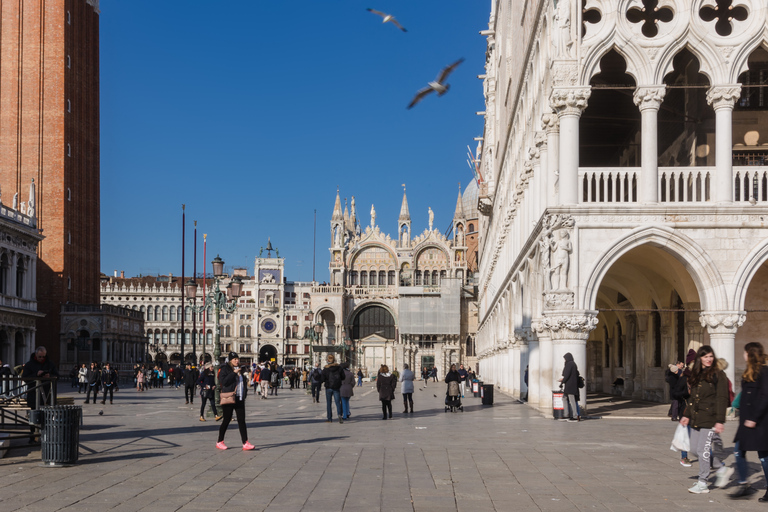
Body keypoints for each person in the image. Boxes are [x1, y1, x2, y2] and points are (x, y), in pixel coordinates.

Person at [680, 345, 731, 494]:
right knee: (695, 449)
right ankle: (721, 469)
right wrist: (686, 415)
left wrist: (720, 420)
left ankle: (703, 482)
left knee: (703, 450)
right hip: (697, 417)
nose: (709, 359)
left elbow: (722, 398)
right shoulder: (697, 374)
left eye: (710, 356)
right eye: (705, 356)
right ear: (699, 359)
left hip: (711, 418)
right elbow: (693, 399)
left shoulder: (718, 374)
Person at [729, 342, 768, 500]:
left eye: (745, 353)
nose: (743, 355)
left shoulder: (765, 372)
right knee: (738, 451)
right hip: (746, 422)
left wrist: (754, 418)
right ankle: (744, 483)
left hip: (759, 422)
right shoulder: (748, 372)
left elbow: (765, 396)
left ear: (750, 354)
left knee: (764, 456)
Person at [216, 352, 255, 450]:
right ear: (230, 360)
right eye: (235, 359)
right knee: (226, 420)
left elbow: (243, 383)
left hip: (239, 398)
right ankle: (220, 441)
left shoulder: (241, 369)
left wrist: (244, 393)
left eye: (237, 359)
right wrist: (233, 373)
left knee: (242, 421)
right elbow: (224, 382)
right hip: (229, 397)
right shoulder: (225, 369)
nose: (237, 361)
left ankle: (245, 442)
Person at [322, 354, 344, 423]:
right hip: (337, 387)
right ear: (334, 360)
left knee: (329, 403)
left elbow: (322, 379)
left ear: (328, 360)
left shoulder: (326, 369)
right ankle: (339, 415)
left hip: (328, 387)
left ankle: (329, 418)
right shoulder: (339, 368)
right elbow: (343, 377)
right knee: (338, 402)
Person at [558, 352, 580, 422]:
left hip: (570, 386)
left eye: (565, 359)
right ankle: (566, 415)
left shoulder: (569, 364)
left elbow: (566, 375)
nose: (565, 360)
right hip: (570, 385)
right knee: (564, 398)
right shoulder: (573, 364)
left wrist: (562, 381)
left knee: (572, 400)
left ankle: (574, 416)